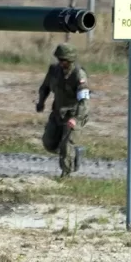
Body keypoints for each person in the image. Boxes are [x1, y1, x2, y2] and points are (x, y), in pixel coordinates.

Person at [36, 43, 90, 177]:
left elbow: (84, 101)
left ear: (70, 60)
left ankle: (66, 174)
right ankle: (73, 153)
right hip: (57, 113)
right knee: (49, 143)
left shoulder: (79, 75)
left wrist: (76, 118)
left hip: (73, 114)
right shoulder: (54, 71)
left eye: (63, 60)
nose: (60, 62)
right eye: (59, 59)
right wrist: (41, 102)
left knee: (67, 145)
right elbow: (45, 87)